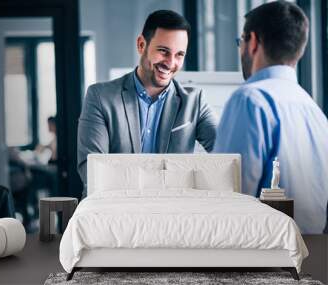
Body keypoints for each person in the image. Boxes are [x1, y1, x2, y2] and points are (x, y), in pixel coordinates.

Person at [213, 1, 328, 234]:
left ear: (253, 41)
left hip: (261, 258)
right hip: (312, 259)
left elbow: (227, 200)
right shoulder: (314, 112)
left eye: (241, 41)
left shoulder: (250, 99)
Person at [77, 10, 217, 197]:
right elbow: (91, 171)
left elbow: (228, 152)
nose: (171, 63)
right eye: (163, 51)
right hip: (115, 210)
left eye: (179, 55)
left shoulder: (195, 102)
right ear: (141, 45)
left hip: (172, 212)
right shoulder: (101, 97)